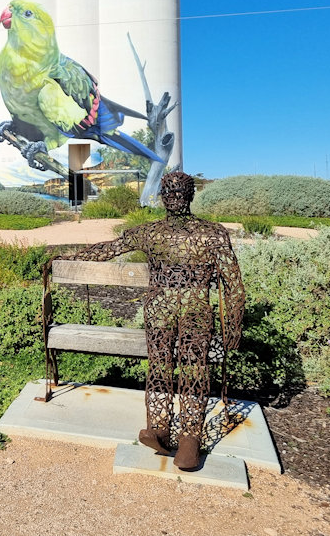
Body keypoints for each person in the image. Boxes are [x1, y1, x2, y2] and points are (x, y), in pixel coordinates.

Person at [62, 171, 245, 470]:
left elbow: (232, 281)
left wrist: (233, 322)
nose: (175, 198)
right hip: (159, 310)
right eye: (170, 193)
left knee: (193, 370)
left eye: (180, 193)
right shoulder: (150, 232)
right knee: (159, 367)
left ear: (190, 196)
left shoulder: (212, 233)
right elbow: (109, 249)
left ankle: (190, 438)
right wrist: (67, 260)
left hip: (195, 308)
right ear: (162, 196)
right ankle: (159, 426)